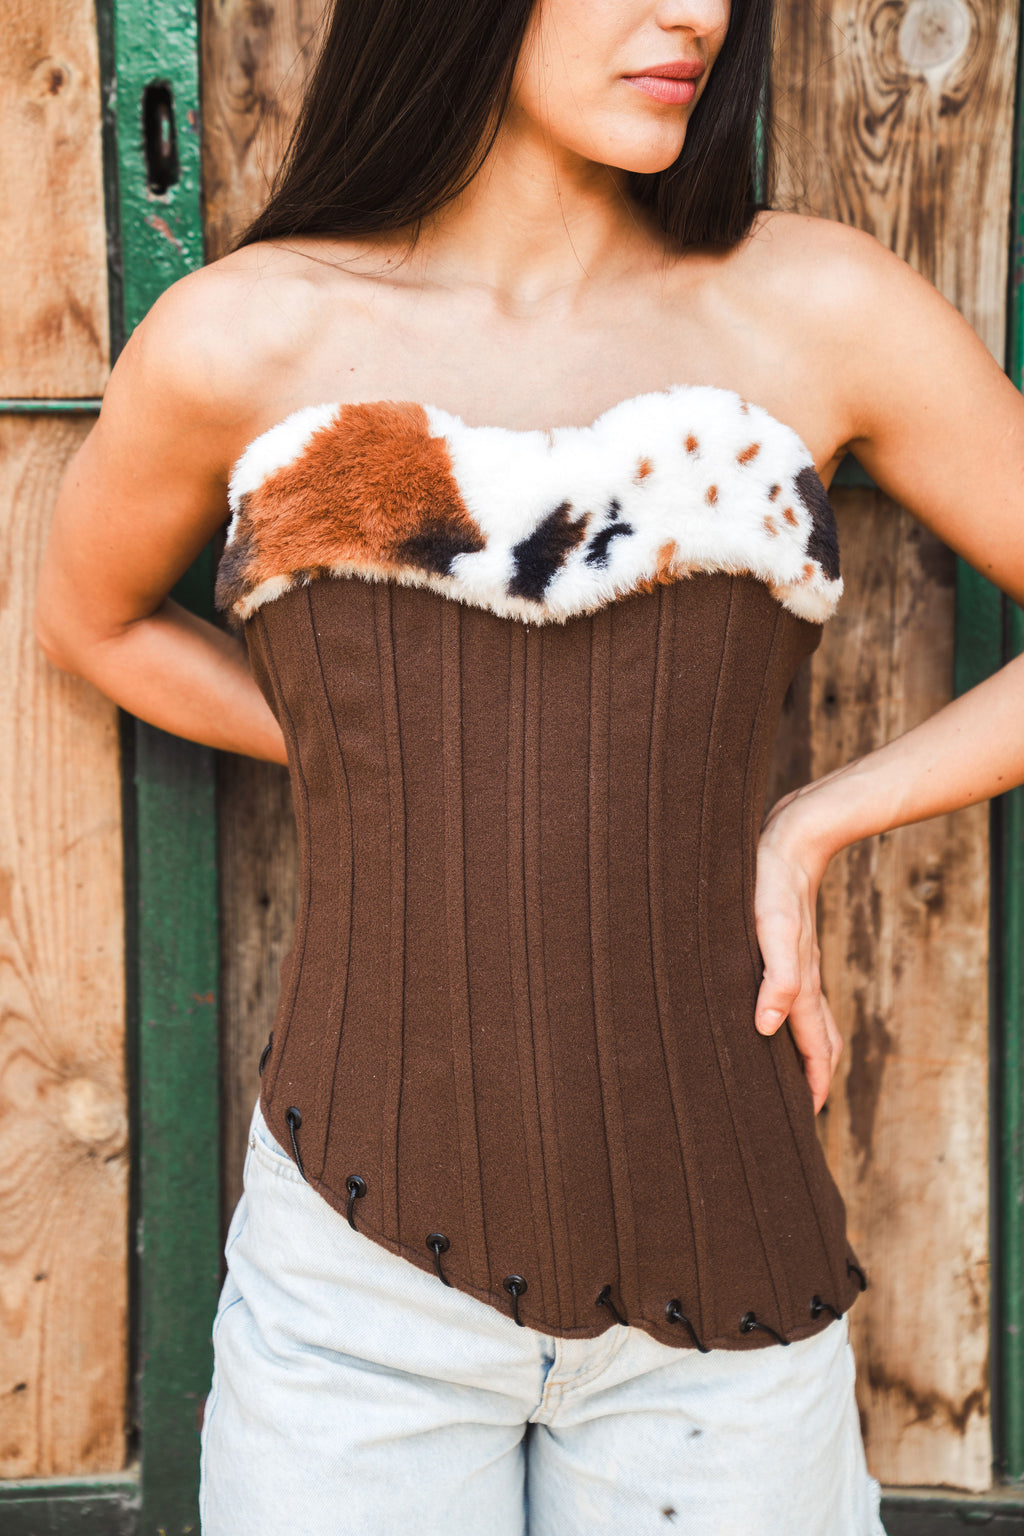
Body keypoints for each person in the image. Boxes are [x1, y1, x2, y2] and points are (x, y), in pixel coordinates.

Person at [33, 0, 1024, 1530]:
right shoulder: (249, 332)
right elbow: (86, 618)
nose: (692, 12)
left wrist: (817, 821)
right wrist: (374, 759)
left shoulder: (818, 308)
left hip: (728, 1301)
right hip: (354, 1315)